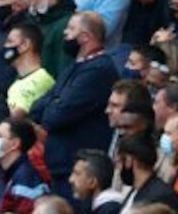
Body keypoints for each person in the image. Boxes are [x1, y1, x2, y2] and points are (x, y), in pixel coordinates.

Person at [30, 12, 118, 199]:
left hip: (76, 166)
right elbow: (37, 108)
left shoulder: (98, 69)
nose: (65, 34)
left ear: (85, 36)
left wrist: (55, 103)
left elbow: (57, 115)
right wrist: (55, 101)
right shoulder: (75, 66)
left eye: (71, 29)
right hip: (58, 166)